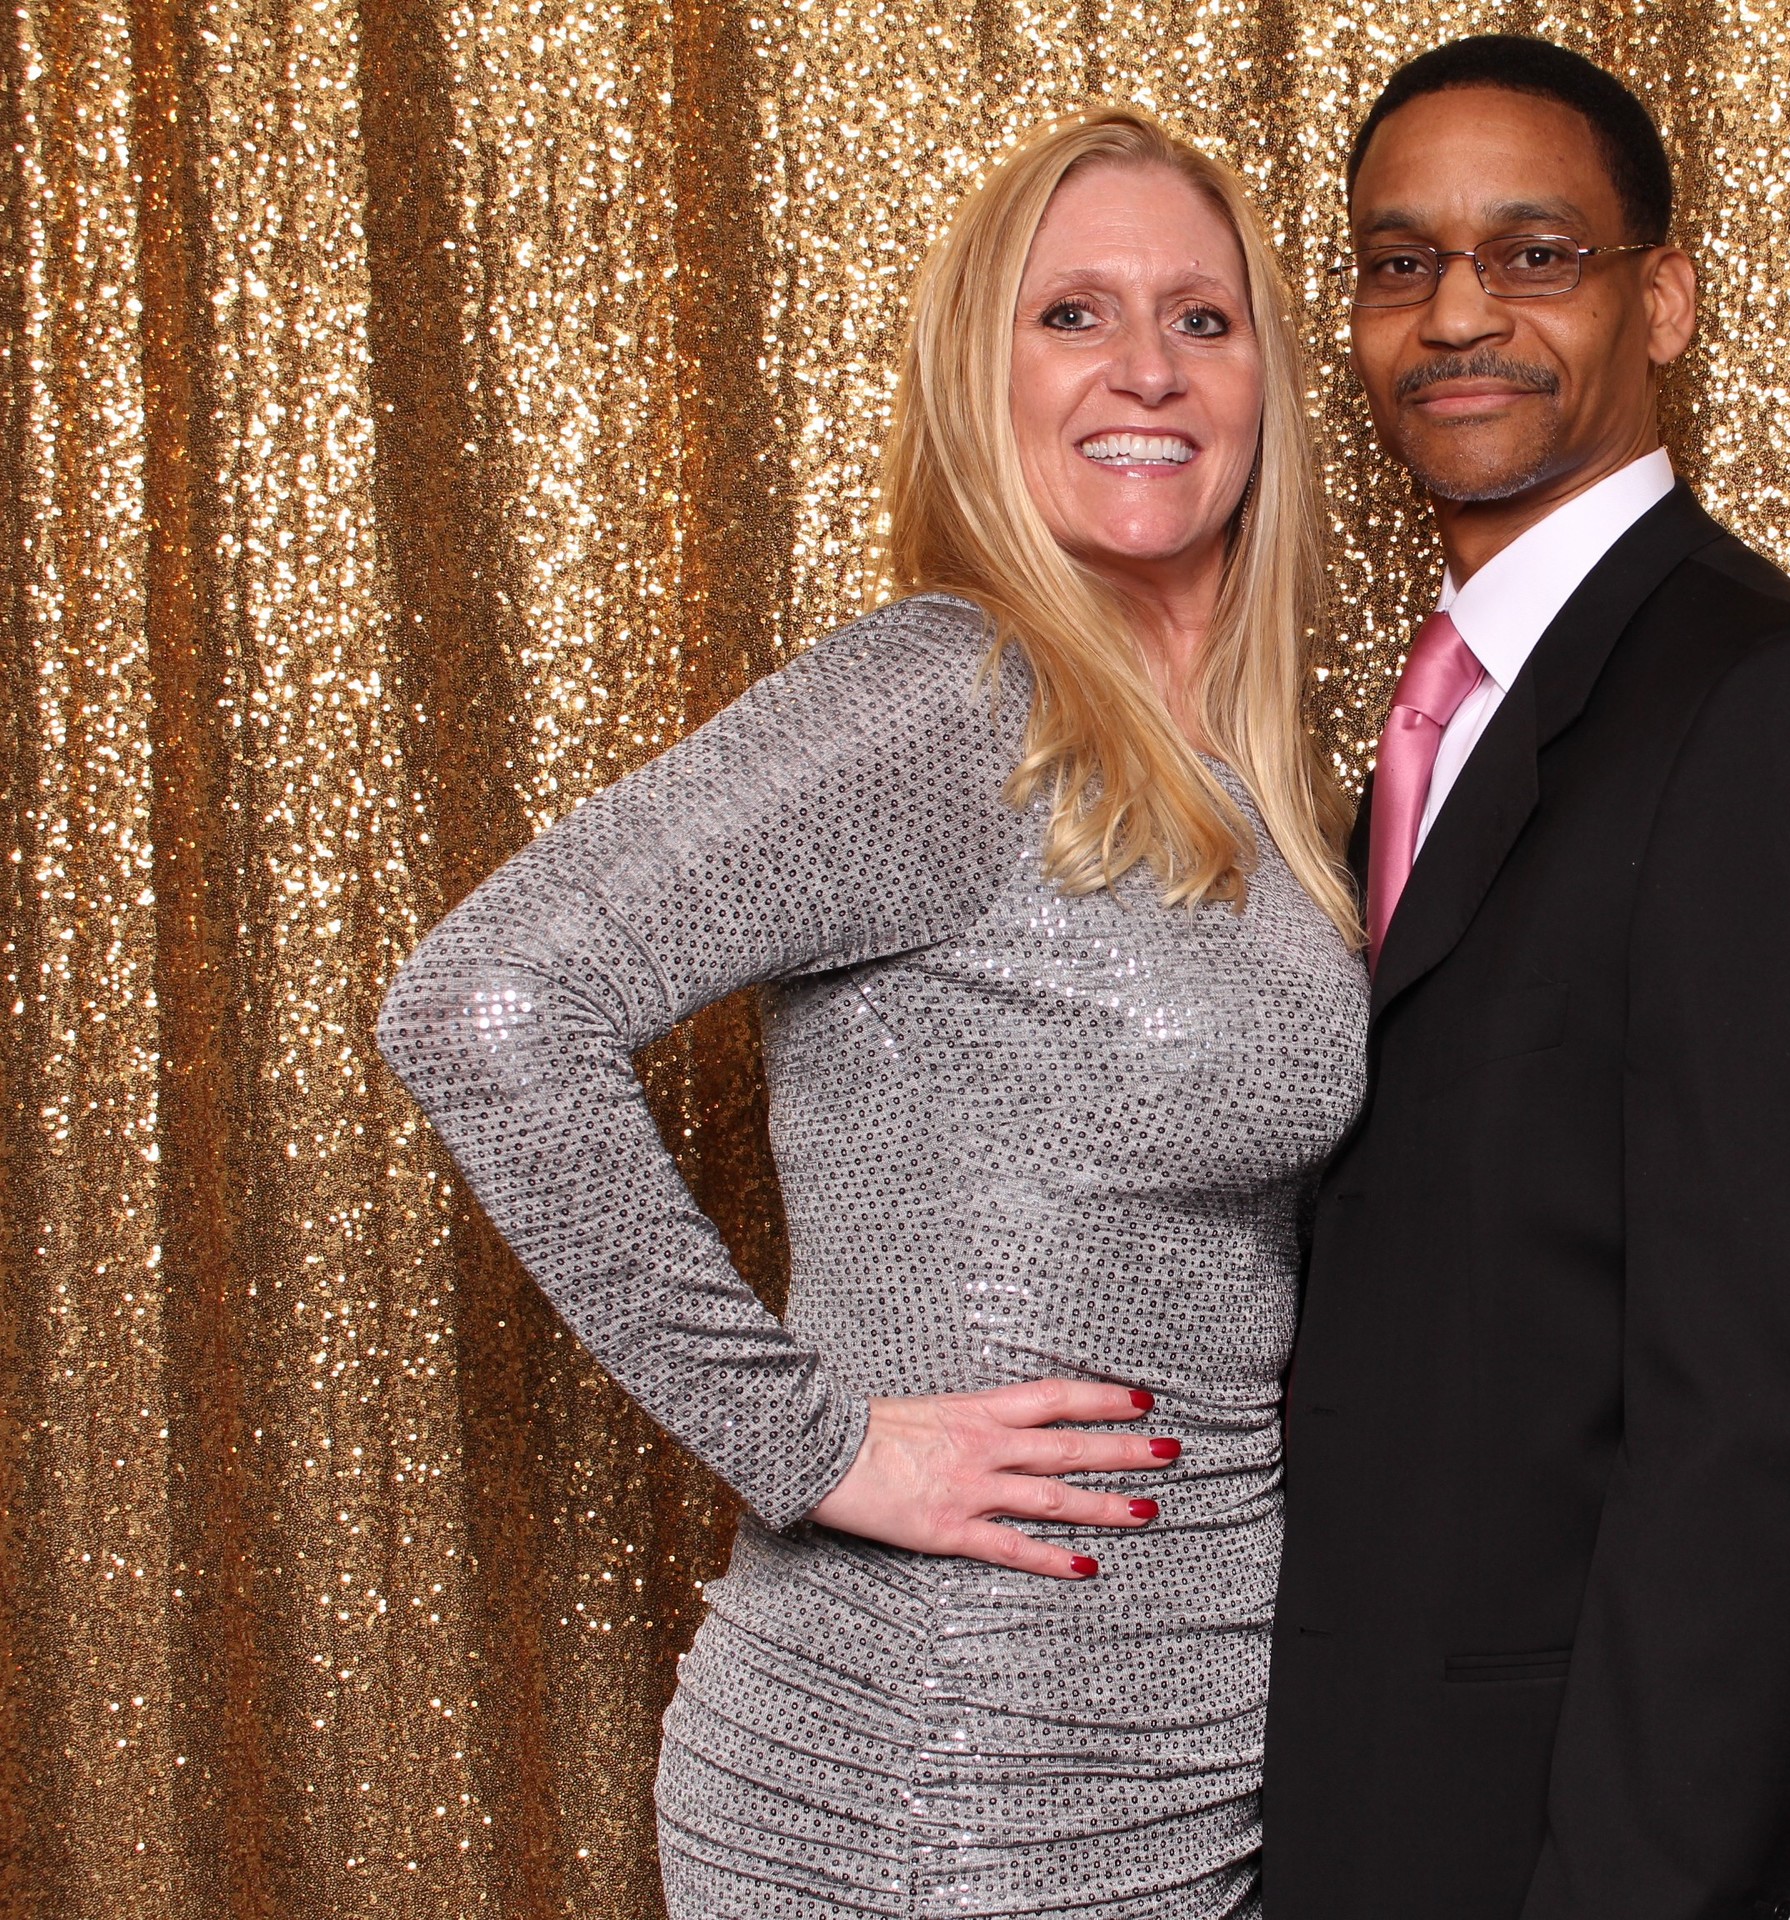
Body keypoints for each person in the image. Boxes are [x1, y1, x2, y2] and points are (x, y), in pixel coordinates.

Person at [377, 111, 1366, 1919]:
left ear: (1264, 385)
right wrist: (816, 1444)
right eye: (1072, 314)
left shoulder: (1258, 779)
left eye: (1202, 319)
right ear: (979, 377)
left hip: (1193, 1748)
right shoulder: (947, 699)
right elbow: (488, 1006)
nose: (1147, 368)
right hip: (931, 1766)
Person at [1261, 37, 1790, 1920]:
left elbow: (1779, 1431)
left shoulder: (1771, 712)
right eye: (1400, 262)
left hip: (1609, 1847)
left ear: (1663, 299)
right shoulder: (1440, 725)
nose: (1457, 313)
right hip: (1388, 1806)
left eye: (1534, 253)